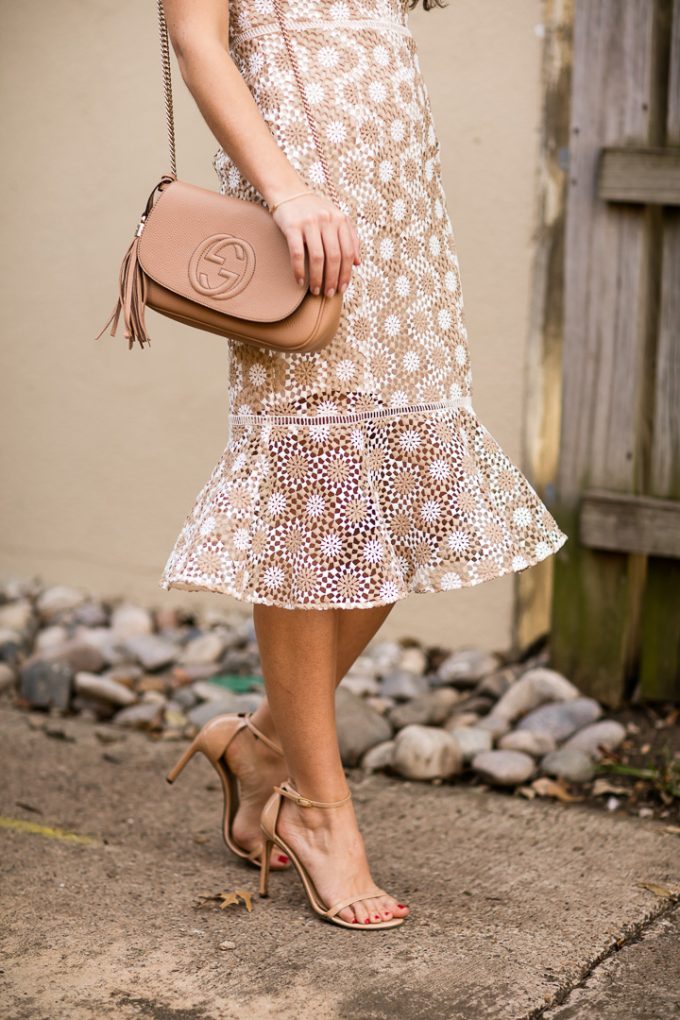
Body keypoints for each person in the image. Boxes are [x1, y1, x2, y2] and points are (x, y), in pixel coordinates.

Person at [160, 0, 568, 930]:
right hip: (300, 208)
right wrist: (289, 190)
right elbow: (196, 38)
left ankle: (263, 744)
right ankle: (319, 813)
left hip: (400, 219)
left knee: (407, 497)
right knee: (316, 505)